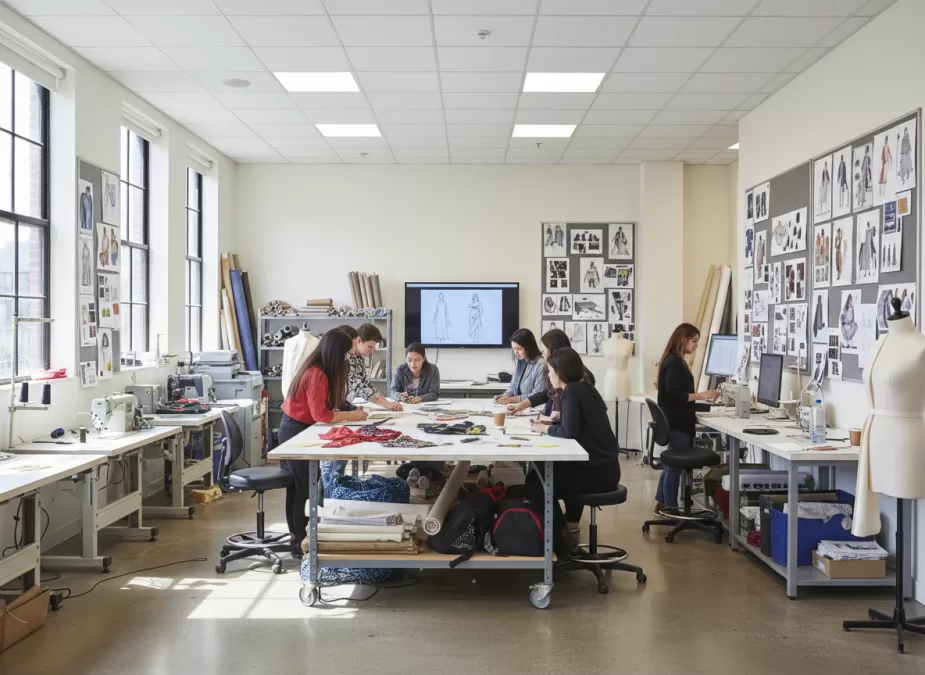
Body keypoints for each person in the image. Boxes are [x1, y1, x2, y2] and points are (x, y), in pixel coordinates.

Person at [278, 329, 368, 553]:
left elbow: (326, 405)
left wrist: (348, 408)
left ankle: (298, 540)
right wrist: (351, 416)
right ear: (335, 353)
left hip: (295, 428)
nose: (347, 358)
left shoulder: (318, 370)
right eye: (345, 353)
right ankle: (302, 543)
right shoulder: (317, 374)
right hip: (295, 431)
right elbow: (321, 415)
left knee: (298, 487)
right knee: (303, 489)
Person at [527, 347, 619, 544]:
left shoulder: (571, 391)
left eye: (550, 371)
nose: (549, 376)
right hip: (607, 469)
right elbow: (572, 424)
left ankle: (560, 540)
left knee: (536, 482)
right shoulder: (584, 387)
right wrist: (548, 424)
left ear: (560, 373)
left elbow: (569, 431)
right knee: (541, 472)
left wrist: (543, 429)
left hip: (598, 474)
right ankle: (563, 529)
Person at [653, 324, 718, 512]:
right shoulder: (674, 362)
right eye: (694, 341)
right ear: (683, 340)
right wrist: (701, 395)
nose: (696, 346)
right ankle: (672, 509)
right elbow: (675, 396)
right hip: (678, 425)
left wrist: (706, 403)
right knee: (674, 468)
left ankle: (662, 502)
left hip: (675, 421)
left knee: (671, 465)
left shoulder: (674, 360)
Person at [507, 328, 594, 417]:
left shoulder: (573, 379)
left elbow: (566, 419)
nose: (542, 354)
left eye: (544, 350)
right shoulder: (562, 370)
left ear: (554, 351)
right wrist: (522, 405)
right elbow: (546, 394)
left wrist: (548, 423)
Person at [338, 324, 402, 411]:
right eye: (370, 346)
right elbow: (360, 386)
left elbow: (365, 382)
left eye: (374, 347)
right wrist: (386, 404)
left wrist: (386, 402)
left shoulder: (359, 357)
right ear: (359, 341)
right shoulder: (348, 357)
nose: (373, 350)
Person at [494, 328, 545, 405]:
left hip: (533, 407)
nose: (516, 352)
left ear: (529, 347)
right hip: (518, 406)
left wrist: (512, 399)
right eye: (513, 349)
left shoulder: (541, 364)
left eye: (519, 349)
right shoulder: (520, 361)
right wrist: (504, 396)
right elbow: (513, 387)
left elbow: (538, 395)